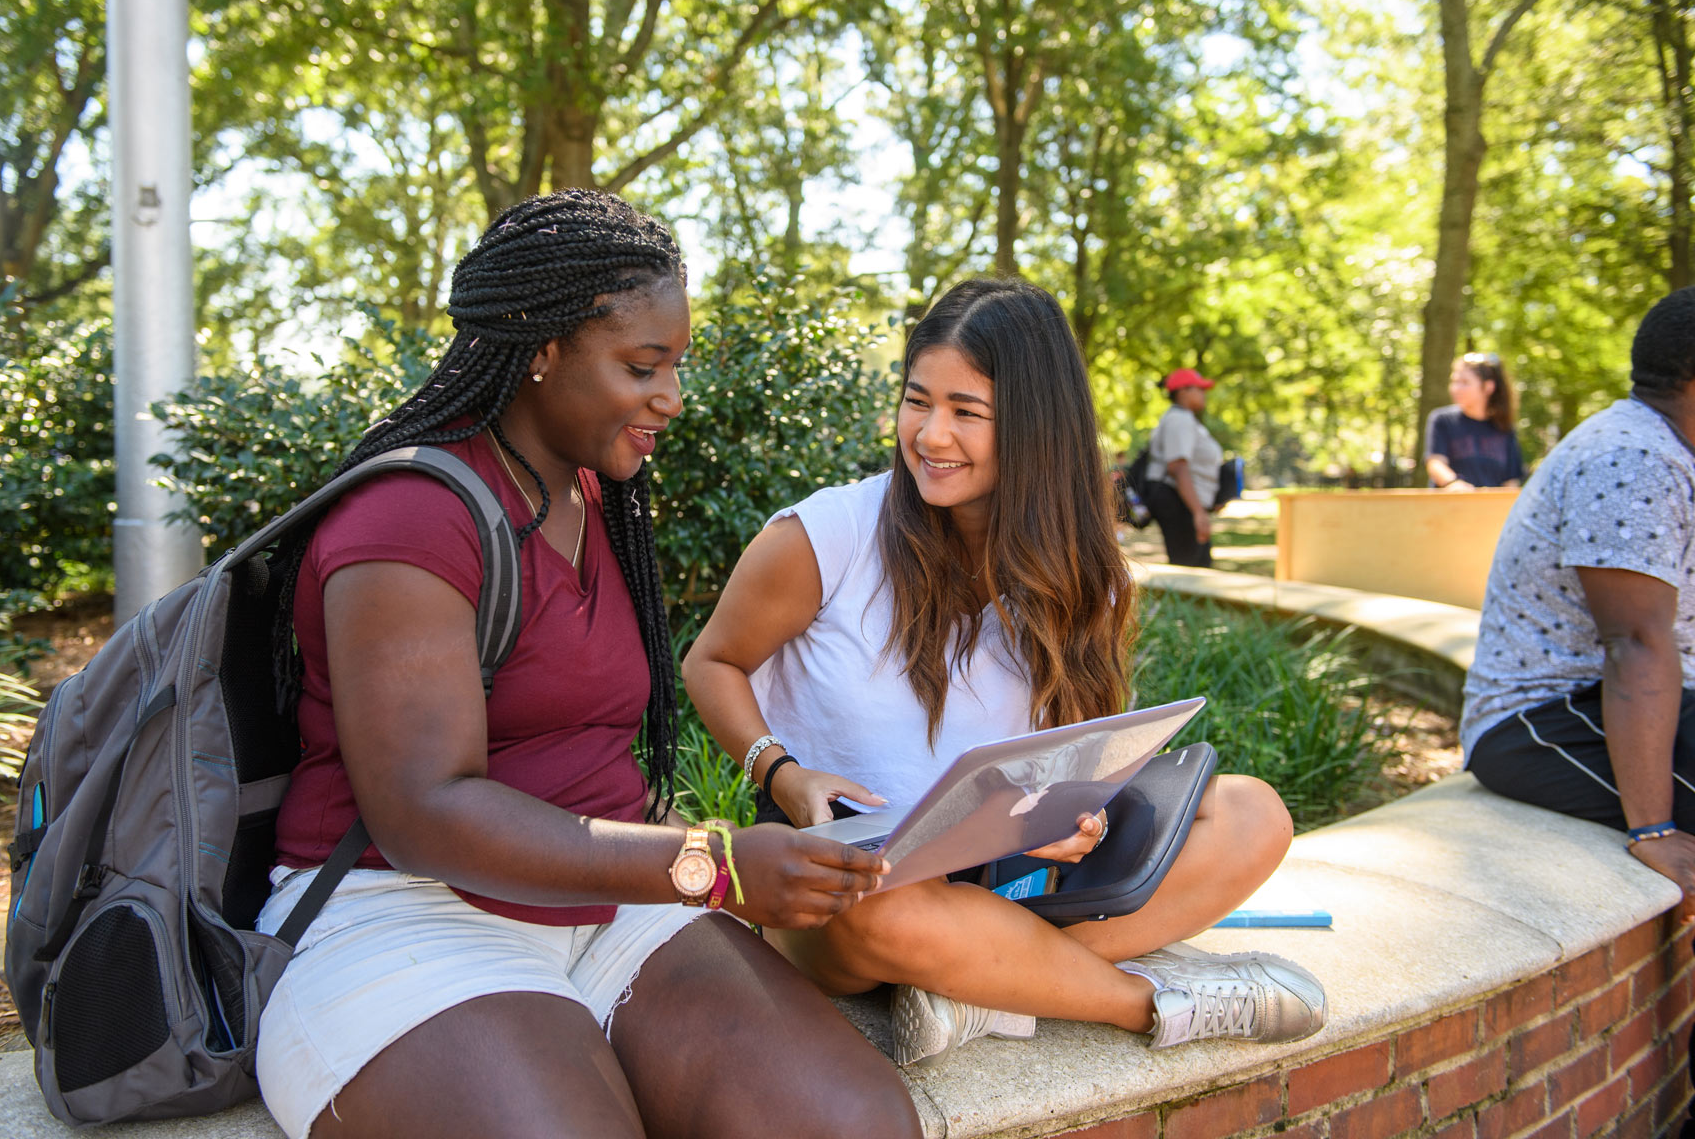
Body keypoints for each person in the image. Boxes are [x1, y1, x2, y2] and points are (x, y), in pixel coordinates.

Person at [253, 190, 922, 1139]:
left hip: (608, 901)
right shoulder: (409, 516)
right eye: (643, 366)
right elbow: (423, 813)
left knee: (851, 1124)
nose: (672, 399)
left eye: (676, 366)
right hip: (402, 908)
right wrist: (714, 864)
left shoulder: (590, 492)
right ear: (541, 348)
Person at [682, 278, 1325, 1069]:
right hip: (856, 886)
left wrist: (1076, 815)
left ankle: (975, 987)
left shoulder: (1082, 572)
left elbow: (1075, 753)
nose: (930, 434)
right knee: (873, 912)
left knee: (1253, 816)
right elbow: (711, 661)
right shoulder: (823, 537)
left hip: (1001, 881)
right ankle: (1154, 1004)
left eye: (966, 412)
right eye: (918, 401)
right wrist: (780, 772)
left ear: (1034, 428)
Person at [1461, 289, 1695, 927]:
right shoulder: (1634, 459)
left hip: (1625, 697)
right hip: (1541, 720)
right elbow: (1636, 644)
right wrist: (1654, 831)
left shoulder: (1670, 451)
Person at [1141, 368, 1224, 567]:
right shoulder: (1179, 420)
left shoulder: (1184, 419)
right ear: (1183, 391)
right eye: (1199, 389)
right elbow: (1177, 467)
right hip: (1178, 502)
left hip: (1185, 502)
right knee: (1190, 568)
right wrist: (1198, 512)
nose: (1204, 394)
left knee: (1198, 563)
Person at [1424, 352, 1525, 489]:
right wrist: (1453, 484)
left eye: (1464, 383)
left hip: (1490, 509)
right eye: (1454, 382)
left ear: (1488, 387)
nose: (1455, 389)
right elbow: (1435, 463)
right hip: (1448, 508)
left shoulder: (1504, 428)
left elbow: (1511, 481)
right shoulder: (1442, 420)